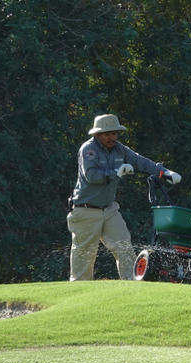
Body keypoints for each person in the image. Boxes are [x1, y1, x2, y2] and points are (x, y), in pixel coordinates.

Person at [67, 114, 182, 281]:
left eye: (115, 133)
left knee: (125, 248)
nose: (112, 137)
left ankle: (131, 288)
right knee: (84, 256)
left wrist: (165, 173)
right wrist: (115, 173)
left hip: (109, 209)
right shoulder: (88, 149)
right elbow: (91, 175)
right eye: (107, 134)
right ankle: (78, 295)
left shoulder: (120, 149)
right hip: (86, 211)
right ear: (97, 134)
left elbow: (140, 161)